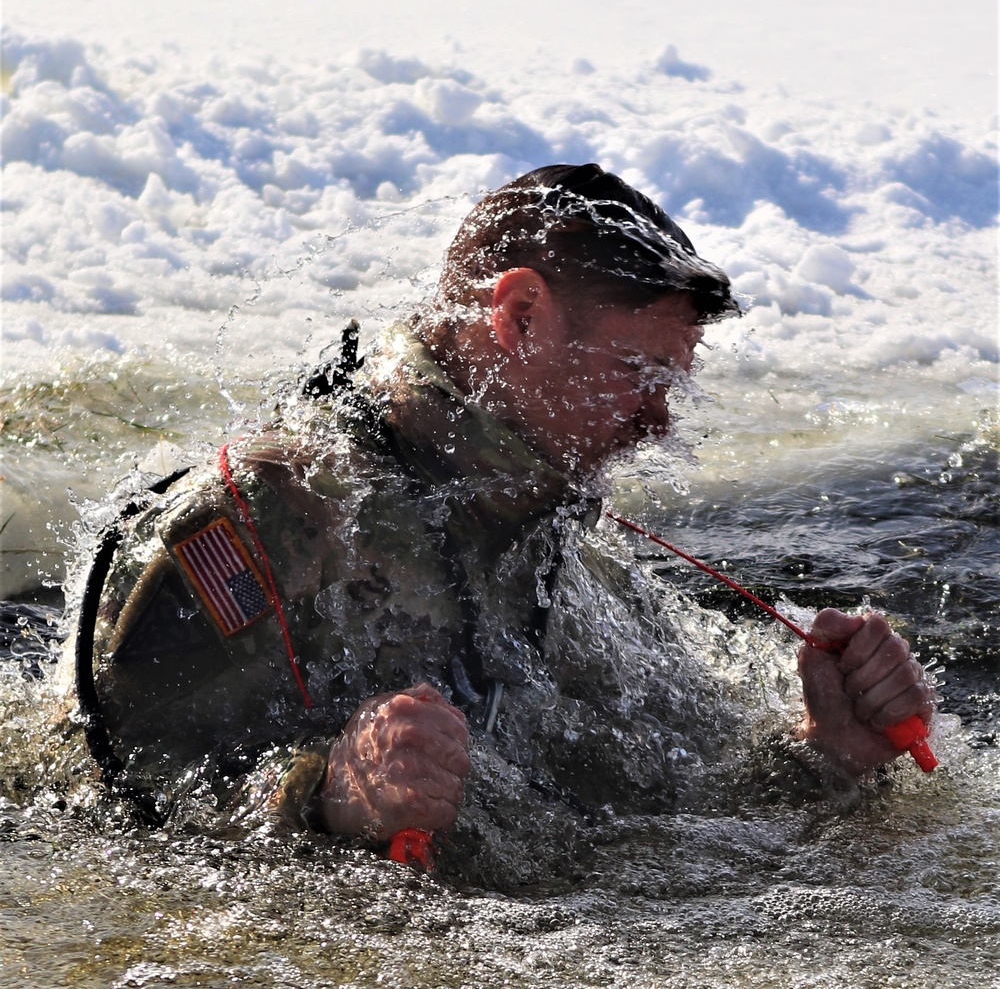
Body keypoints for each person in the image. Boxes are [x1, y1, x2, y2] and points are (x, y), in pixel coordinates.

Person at [73, 165, 932, 866]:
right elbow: (94, 793)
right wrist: (328, 796)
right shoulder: (263, 514)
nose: (659, 419)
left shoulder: (567, 548)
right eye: (640, 373)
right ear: (520, 317)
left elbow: (657, 815)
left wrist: (828, 754)